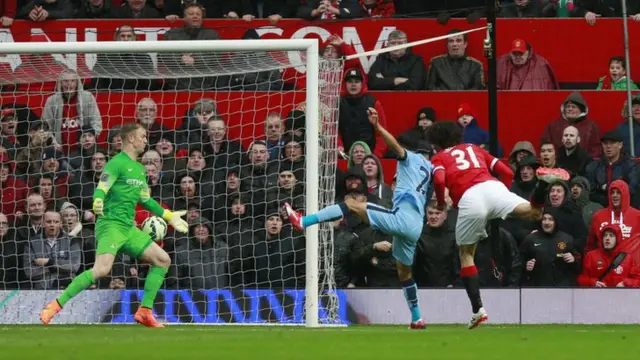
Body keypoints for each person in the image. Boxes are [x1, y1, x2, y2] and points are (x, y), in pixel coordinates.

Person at [284, 107, 433, 329]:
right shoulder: (430, 169)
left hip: (402, 217)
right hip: (415, 225)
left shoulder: (412, 160)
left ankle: (303, 221)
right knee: (404, 271)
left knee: (352, 204)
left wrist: (377, 127)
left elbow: (396, 148)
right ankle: (416, 317)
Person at [39, 123, 189, 328]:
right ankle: (55, 305)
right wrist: (98, 200)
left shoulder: (138, 168)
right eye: (143, 136)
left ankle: (145, 311)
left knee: (163, 260)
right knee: (101, 270)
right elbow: (102, 187)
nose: (146, 140)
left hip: (128, 227)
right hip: (110, 225)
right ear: (130, 139)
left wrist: (168, 215)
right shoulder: (116, 163)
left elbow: (145, 200)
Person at [425, 121, 570, 329]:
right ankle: (542, 184)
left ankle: (477, 310)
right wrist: (503, 197)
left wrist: (440, 202)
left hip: (469, 198)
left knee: (466, 254)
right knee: (534, 212)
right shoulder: (474, 148)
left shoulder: (439, 157)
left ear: (436, 143)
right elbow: (507, 172)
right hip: (493, 188)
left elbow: (439, 181)